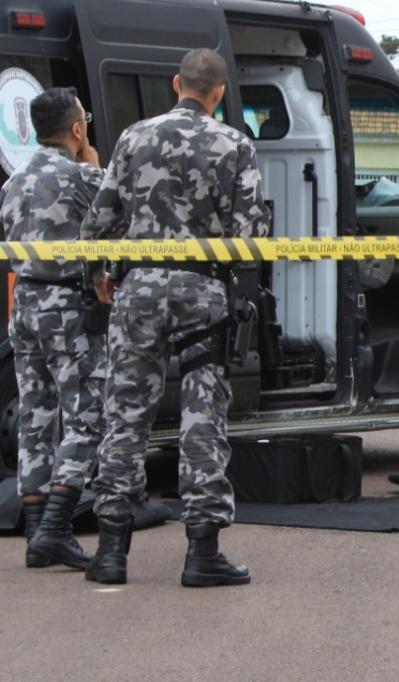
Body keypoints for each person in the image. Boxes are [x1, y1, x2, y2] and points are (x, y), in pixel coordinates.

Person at [81, 48, 271, 586]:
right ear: (218, 93)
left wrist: (101, 274)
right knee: (201, 418)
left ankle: (111, 553)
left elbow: (100, 221)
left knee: (125, 415)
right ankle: (202, 552)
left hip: (136, 290)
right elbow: (250, 239)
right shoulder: (235, 144)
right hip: (201, 295)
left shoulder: (132, 138)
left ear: (175, 84)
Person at [0, 88, 106, 569]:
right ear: (77, 129)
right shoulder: (84, 177)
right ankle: (57, 528)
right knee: (85, 414)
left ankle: (37, 535)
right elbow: (113, 233)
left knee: (35, 418)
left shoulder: (13, 183)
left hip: (23, 304)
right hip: (67, 305)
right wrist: (96, 166)